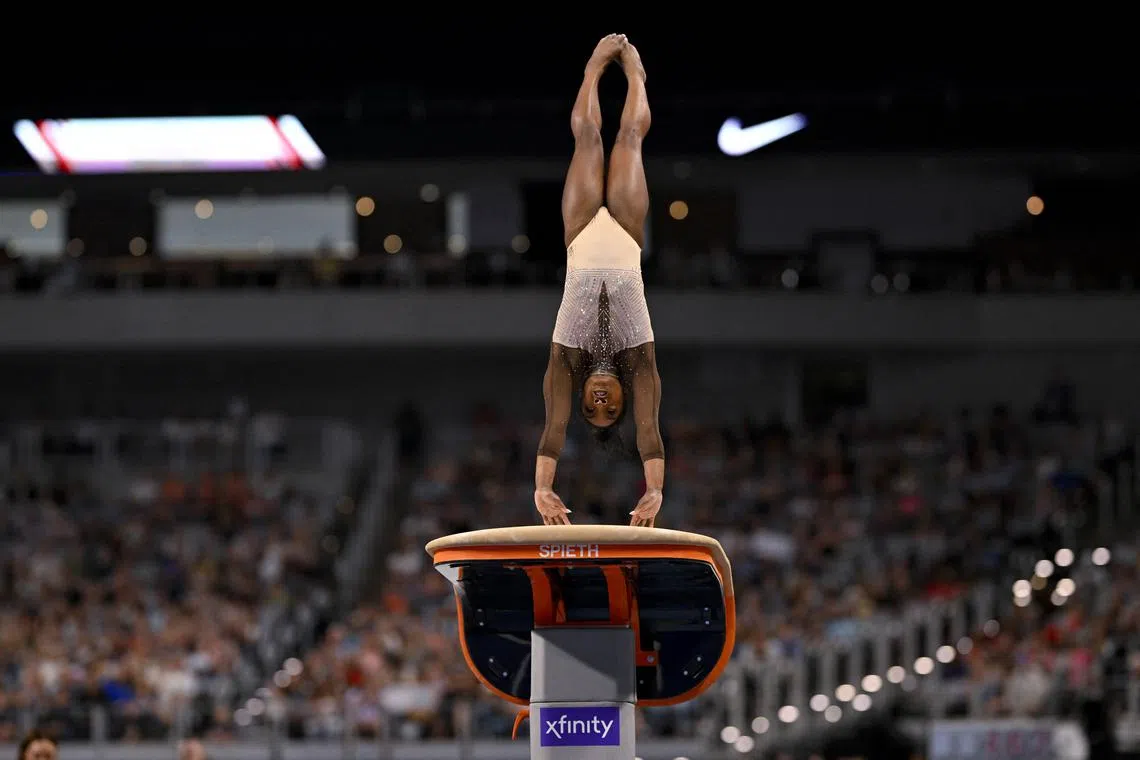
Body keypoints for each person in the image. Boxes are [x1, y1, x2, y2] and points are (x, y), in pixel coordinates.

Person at [534, 34, 664, 529]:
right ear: (624, 398)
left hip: (580, 232)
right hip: (627, 234)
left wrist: (544, 486)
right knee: (629, 139)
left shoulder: (566, 355)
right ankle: (635, 76)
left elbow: (552, 428)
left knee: (588, 139)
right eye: (613, 409)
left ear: (585, 400)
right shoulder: (640, 357)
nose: (604, 402)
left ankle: (591, 71)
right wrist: (654, 489)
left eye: (595, 409)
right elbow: (649, 431)